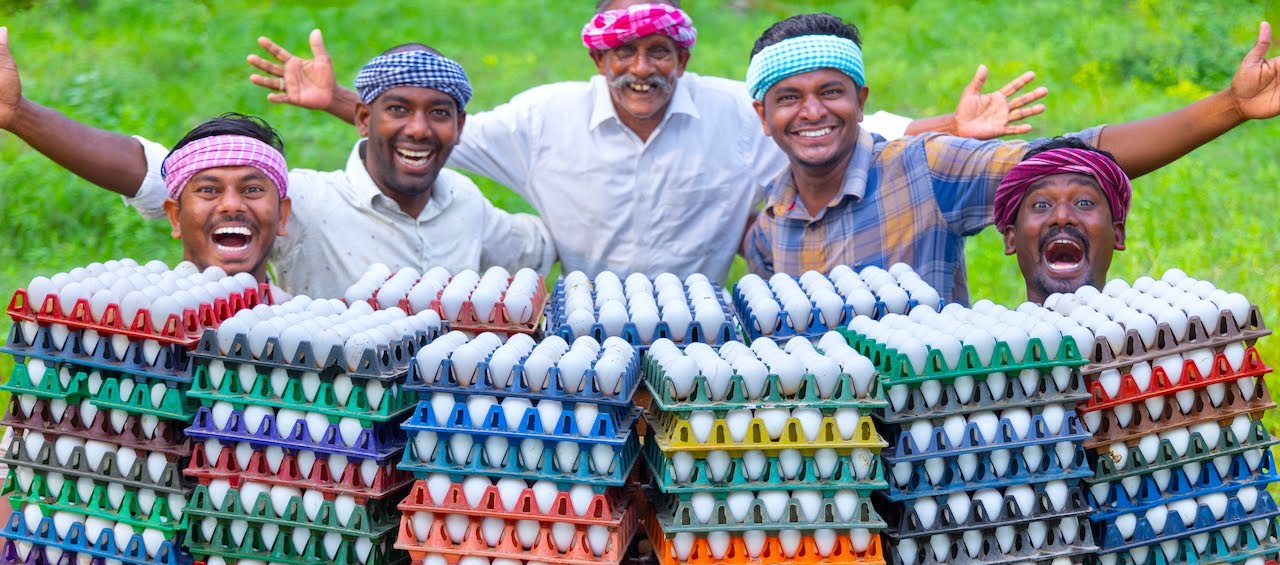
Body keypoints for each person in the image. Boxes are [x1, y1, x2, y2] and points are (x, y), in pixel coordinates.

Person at [246, 0, 1048, 283]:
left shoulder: (738, 113)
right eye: (624, 53)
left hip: (702, 333)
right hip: (584, 330)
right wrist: (341, 102)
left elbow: (858, 128)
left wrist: (954, 128)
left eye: (659, 52)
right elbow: (426, 135)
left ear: (682, 59)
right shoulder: (541, 120)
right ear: (599, 61)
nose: (642, 68)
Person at [0, 105, 337, 565]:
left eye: (252, 189)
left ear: (282, 215)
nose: (231, 205)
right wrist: (26, 560)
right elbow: (27, 462)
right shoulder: (111, 336)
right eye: (208, 190)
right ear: (175, 215)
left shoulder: (315, 351)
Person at [962, 138, 1280, 565]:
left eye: (1085, 203)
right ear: (1009, 238)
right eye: (1040, 206)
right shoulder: (978, 366)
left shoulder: (1174, 352)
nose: (1062, 216)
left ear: (1118, 232)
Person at [743, 13, 1280, 306]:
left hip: (933, 438)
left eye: (831, 92)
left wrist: (1231, 107)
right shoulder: (771, 224)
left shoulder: (921, 166)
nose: (812, 111)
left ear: (861, 102)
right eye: (788, 98)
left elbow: (1072, 157)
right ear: (763, 115)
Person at [0, 28, 555, 299]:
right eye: (397, 110)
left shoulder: (467, 204)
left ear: (460, 126)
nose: (418, 129)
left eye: (439, 113)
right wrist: (22, 115)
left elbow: (541, 244)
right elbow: (154, 172)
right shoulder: (305, 200)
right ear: (363, 118)